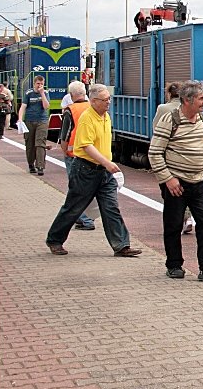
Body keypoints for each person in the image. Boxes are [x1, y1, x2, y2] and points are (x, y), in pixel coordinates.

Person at [45, 83, 143, 258]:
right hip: (85, 170)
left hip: (103, 173)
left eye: (109, 99)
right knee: (74, 207)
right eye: (105, 100)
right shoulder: (87, 118)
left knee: (111, 207)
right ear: (94, 101)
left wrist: (107, 165)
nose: (108, 102)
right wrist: (107, 162)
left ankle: (121, 245)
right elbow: (86, 145)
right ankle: (54, 239)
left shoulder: (105, 116)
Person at [148, 79, 203, 281]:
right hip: (177, 183)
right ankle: (174, 265)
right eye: (202, 99)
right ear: (187, 100)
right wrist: (168, 179)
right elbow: (155, 152)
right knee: (173, 224)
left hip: (199, 181)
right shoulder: (170, 119)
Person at [153, 81, 195, 234]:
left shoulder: (163, 108)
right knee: (187, 186)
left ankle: (179, 220)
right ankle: (188, 218)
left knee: (169, 189)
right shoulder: (188, 108)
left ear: (169, 94)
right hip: (187, 155)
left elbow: (156, 129)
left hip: (168, 155)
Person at [59, 81, 96, 230]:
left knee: (76, 188)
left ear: (71, 95)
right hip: (92, 154)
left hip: (73, 154)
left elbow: (65, 135)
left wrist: (64, 151)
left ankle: (86, 219)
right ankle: (81, 217)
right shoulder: (93, 108)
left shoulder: (70, 110)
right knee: (87, 187)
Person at [17, 75, 50, 175]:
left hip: (42, 121)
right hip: (29, 121)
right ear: (34, 83)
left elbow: (46, 106)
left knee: (40, 143)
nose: (39, 85)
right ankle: (31, 164)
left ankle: (40, 166)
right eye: (38, 83)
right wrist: (20, 119)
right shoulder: (28, 93)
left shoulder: (46, 93)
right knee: (30, 143)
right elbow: (23, 107)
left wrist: (42, 94)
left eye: (41, 84)